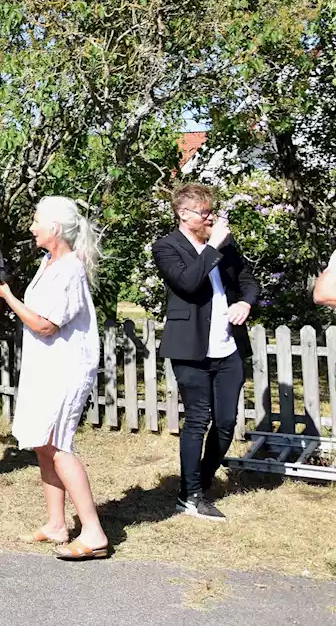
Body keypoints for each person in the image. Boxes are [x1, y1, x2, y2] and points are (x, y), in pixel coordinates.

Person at [0, 196, 110, 561]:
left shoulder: (70, 269)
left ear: (54, 229)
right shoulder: (49, 262)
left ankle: (94, 533)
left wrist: (7, 295)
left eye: (37, 221)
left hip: (66, 370)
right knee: (43, 443)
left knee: (59, 445)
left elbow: (45, 324)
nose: (32, 227)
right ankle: (57, 524)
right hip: (46, 367)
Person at [153, 183, 259, 522]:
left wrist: (245, 301)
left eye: (211, 211)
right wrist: (212, 246)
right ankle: (192, 494)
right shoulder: (166, 247)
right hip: (190, 348)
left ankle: (199, 479)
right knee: (198, 419)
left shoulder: (226, 247)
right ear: (184, 215)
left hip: (228, 348)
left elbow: (249, 281)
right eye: (204, 212)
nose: (210, 217)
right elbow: (188, 283)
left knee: (226, 422)